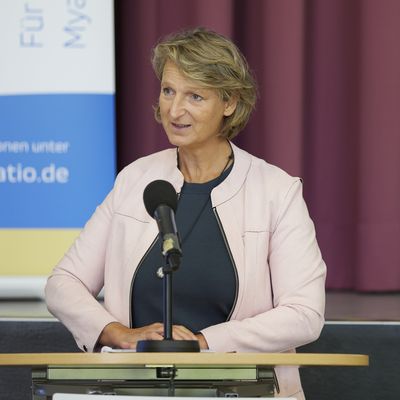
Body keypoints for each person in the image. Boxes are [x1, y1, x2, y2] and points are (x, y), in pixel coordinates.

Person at [45, 27, 326, 399]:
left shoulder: (276, 191)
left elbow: (304, 314)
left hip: (241, 390)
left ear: (229, 102)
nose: (175, 110)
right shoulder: (135, 179)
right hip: (135, 390)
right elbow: (63, 283)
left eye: (195, 96)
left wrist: (203, 343)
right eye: (168, 91)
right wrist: (117, 333)